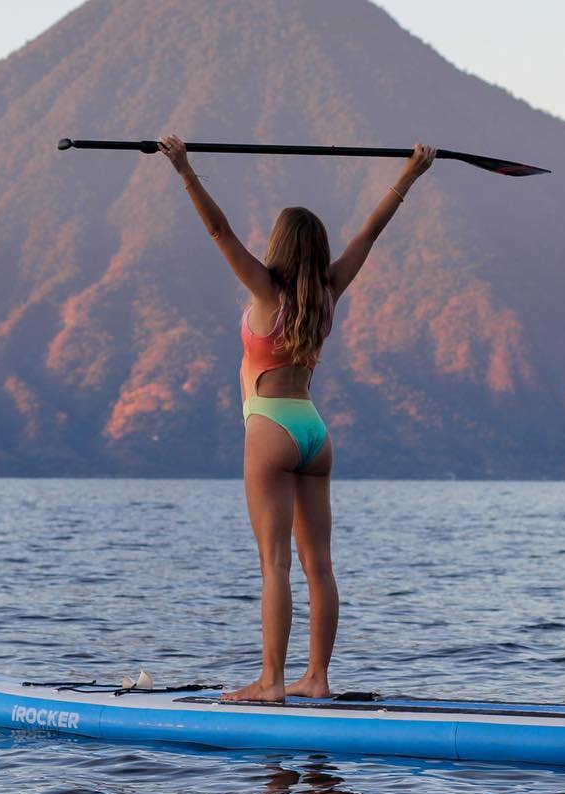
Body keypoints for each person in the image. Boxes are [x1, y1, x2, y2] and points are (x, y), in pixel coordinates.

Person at [158, 134, 436, 701]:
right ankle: (318, 678)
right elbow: (370, 233)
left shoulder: (265, 291)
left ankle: (272, 682)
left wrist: (184, 169)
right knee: (320, 567)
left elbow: (219, 232)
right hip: (314, 431)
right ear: (318, 250)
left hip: (270, 427)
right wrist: (409, 175)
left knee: (274, 565)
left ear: (279, 247)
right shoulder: (330, 291)